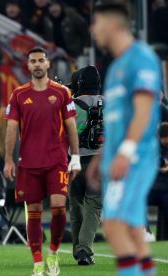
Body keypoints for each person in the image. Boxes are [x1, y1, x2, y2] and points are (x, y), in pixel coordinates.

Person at [87, 2, 162, 275]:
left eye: (96, 23)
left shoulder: (141, 58)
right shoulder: (116, 67)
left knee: (114, 224)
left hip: (135, 157)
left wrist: (127, 151)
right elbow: (118, 119)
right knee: (132, 230)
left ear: (113, 25)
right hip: (116, 158)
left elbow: (144, 109)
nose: (93, 30)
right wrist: (100, 155)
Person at [4, 47, 81, 276]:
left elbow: (71, 127)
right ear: (28, 66)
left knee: (59, 209)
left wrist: (75, 157)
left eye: (41, 60)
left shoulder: (62, 93)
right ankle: (38, 262)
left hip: (56, 160)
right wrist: (8, 159)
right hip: (28, 163)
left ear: (48, 64)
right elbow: (11, 128)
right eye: (33, 61)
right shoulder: (18, 94)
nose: (37, 64)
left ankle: (54, 252)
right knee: (35, 211)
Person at [69, 66, 103, 265]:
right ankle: (84, 249)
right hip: (98, 162)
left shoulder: (72, 105)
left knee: (75, 206)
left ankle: (78, 249)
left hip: (74, 162)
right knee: (94, 205)